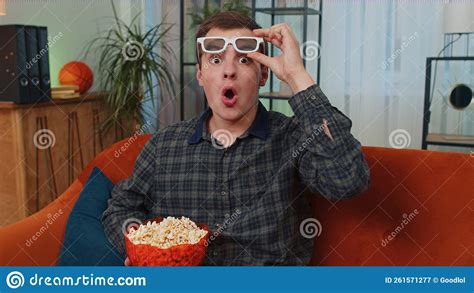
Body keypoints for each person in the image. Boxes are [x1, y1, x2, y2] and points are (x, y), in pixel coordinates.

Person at [102, 11, 370, 266]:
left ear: (264, 74)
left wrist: (296, 76)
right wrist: (140, 246)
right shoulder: (163, 146)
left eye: (244, 59)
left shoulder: (293, 137)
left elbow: (347, 180)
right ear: (200, 75)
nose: (229, 70)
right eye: (215, 60)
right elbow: (121, 208)